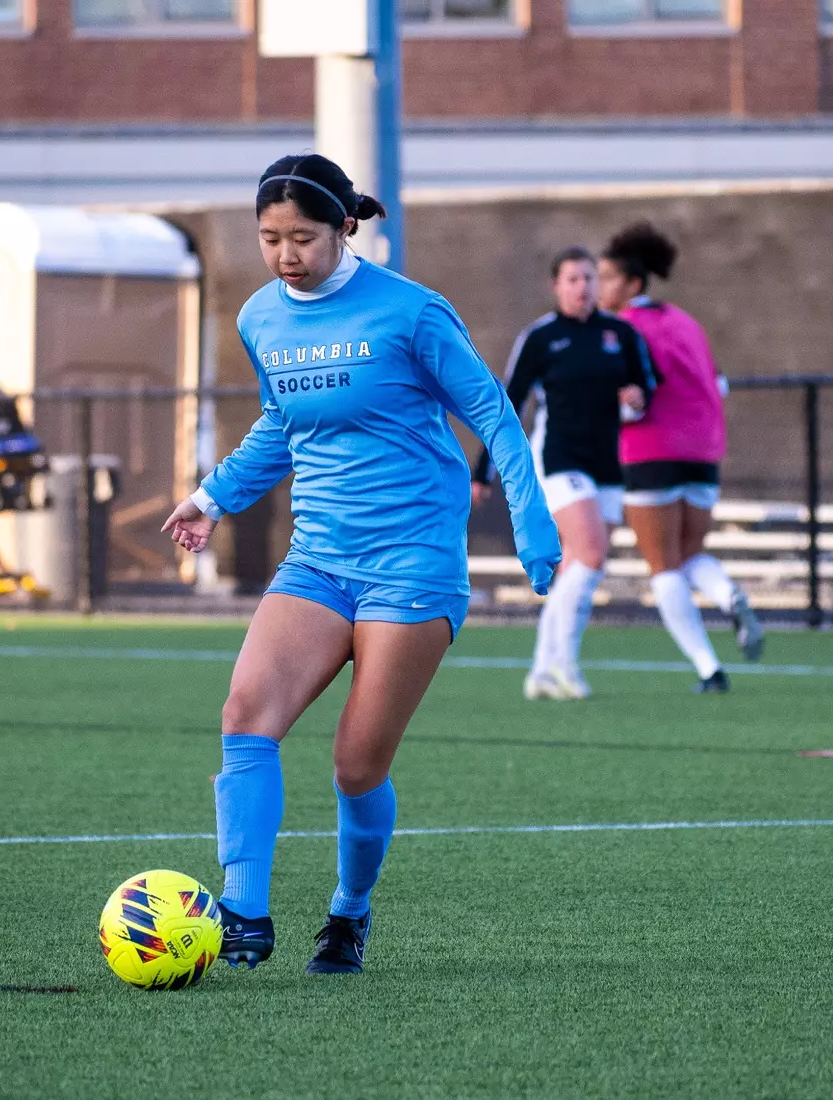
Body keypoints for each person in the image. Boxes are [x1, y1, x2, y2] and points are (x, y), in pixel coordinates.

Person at [161, 154, 560, 976]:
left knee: (356, 764)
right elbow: (282, 424)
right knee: (245, 716)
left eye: (302, 237)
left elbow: (494, 414)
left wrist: (531, 523)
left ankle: (348, 911)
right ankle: (243, 912)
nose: (285, 255)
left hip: (412, 564)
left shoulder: (411, 312)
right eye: (269, 238)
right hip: (318, 558)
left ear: (345, 227)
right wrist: (210, 497)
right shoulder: (260, 318)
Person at [471, 246, 657, 701]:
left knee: (583, 566)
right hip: (559, 459)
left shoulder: (620, 333)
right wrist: (482, 471)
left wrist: (636, 397)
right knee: (591, 553)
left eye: (590, 278)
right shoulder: (541, 337)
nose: (583, 287)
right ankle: (566, 665)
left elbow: (645, 385)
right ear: (556, 286)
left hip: (605, 462)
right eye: (573, 279)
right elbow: (508, 403)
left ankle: (542, 669)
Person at [599, 223, 763, 693]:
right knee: (689, 554)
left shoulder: (618, 330)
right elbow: (719, 384)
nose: (598, 287)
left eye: (606, 278)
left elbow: (627, 399)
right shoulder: (685, 321)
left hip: (650, 450)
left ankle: (709, 670)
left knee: (663, 567)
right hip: (705, 449)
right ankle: (728, 594)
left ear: (632, 283)